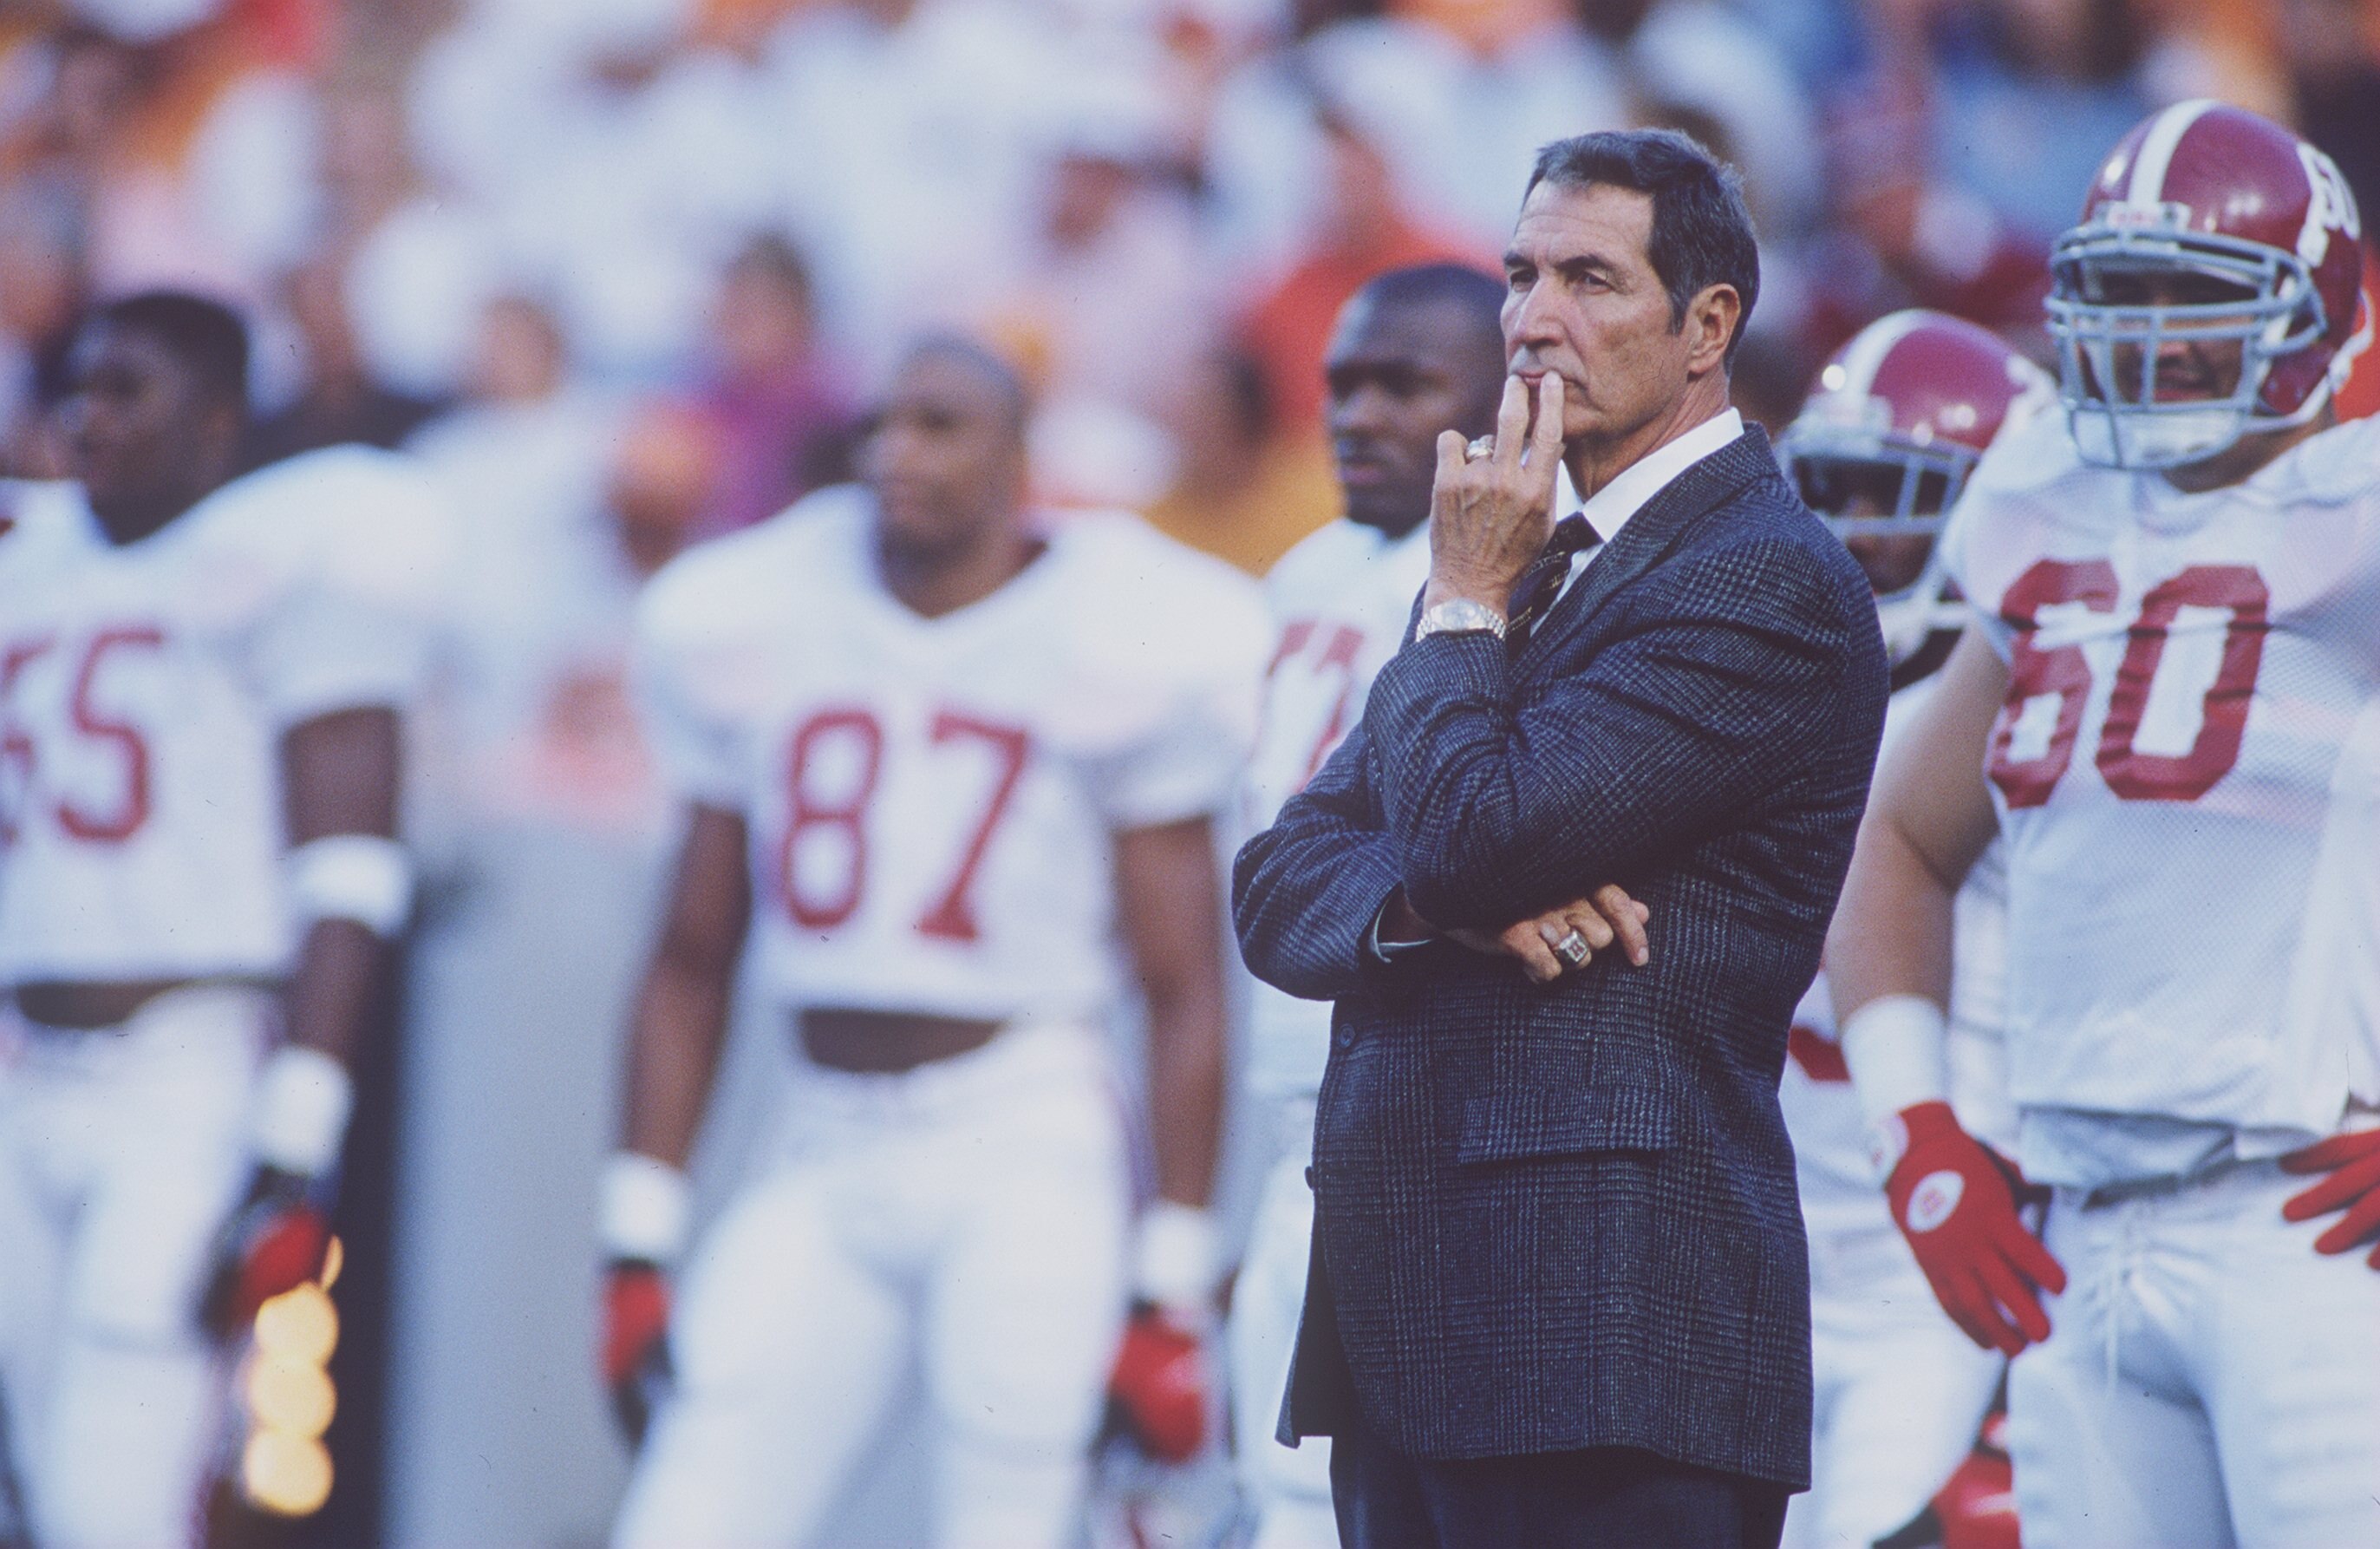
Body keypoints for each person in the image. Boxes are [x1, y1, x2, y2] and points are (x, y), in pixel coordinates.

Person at [1234, 129, 1888, 1548]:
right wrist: (1433, 911)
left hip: (1611, 1336)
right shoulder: (1525, 539)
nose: (1531, 320)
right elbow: (1280, 881)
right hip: (1404, 1323)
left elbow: (1473, 832)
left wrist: (1463, 607)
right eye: (1519, 274)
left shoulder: (1762, 576)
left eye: (1589, 279)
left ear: (1708, 322)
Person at [600, 337, 1269, 1547]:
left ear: (1017, 459)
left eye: (940, 424)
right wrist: (637, 1227)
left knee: (1006, 1522)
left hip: (1020, 1131)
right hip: (816, 1133)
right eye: (883, 423)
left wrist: (1169, 1273)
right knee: (682, 1519)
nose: (898, 453)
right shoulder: (758, 606)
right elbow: (688, 955)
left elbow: (1182, 987)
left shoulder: (1117, 623)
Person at [1826, 101, 2380, 1547]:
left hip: (2308, 1226)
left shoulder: (2359, 512)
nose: (2147, 335)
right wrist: (1916, 1129)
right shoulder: (2038, 505)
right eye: (2119, 291)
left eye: (2192, 295)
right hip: (2077, 1225)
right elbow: (1894, 841)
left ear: (2314, 312)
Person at [0, 291, 444, 1545]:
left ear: (214, 421)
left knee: (113, 1493)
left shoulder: (287, 554)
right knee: (35, 1479)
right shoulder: (28, 562)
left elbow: (351, 868)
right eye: (79, 387)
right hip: (25, 1064)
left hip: (183, 1067)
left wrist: (297, 1132)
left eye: (128, 390)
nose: (91, 417)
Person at [1229, 261, 1510, 1549]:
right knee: (1283, 1507)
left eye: (1407, 385)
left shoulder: (1521, 571)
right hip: (1295, 1119)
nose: (1362, 415)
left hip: (1437, 1119)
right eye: (1345, 383)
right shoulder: (1301, 574)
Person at [1771, 309, 2053, 1549]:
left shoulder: (2036, 706)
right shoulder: (1744, 695)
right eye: (1824, 492)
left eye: (1886, 501)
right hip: (1758, 1261)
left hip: (1942, 1253)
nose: (1842, 537)